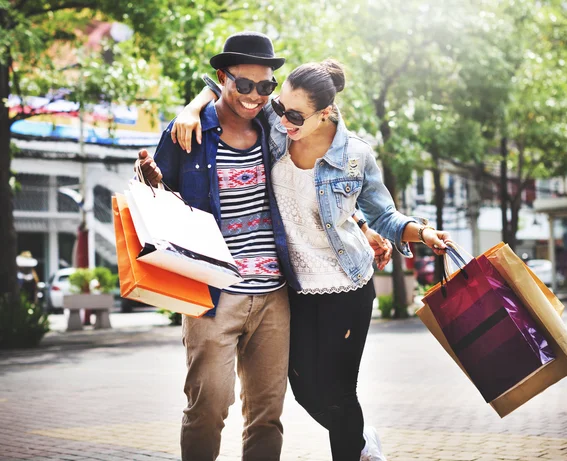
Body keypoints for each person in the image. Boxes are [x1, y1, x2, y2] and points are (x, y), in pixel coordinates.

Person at [168, 59, 451, 460]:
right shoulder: (276, 131)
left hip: (347, 287)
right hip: (296, 288)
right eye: (280, 108)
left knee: (337, 391)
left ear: (327, 113)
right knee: (302, 389)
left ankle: (355, 448)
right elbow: (232, 92)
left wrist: (422, 233)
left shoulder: (356, 156)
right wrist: (192, 106)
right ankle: (359, 437)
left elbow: (383, 214)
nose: (284, 119)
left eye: (295, 115)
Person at [136, 32, 391, 461]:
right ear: (223, 78)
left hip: (276, 294)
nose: (256, 96)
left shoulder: (275, 128)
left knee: (268, 415)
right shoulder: (188, 132)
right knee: (208, 408)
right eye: (244, 85)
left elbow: (315, 183)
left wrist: (361, 224)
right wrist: (156, 174)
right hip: (213, 294)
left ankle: (356, 441)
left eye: (266, 87)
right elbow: (156, 198)